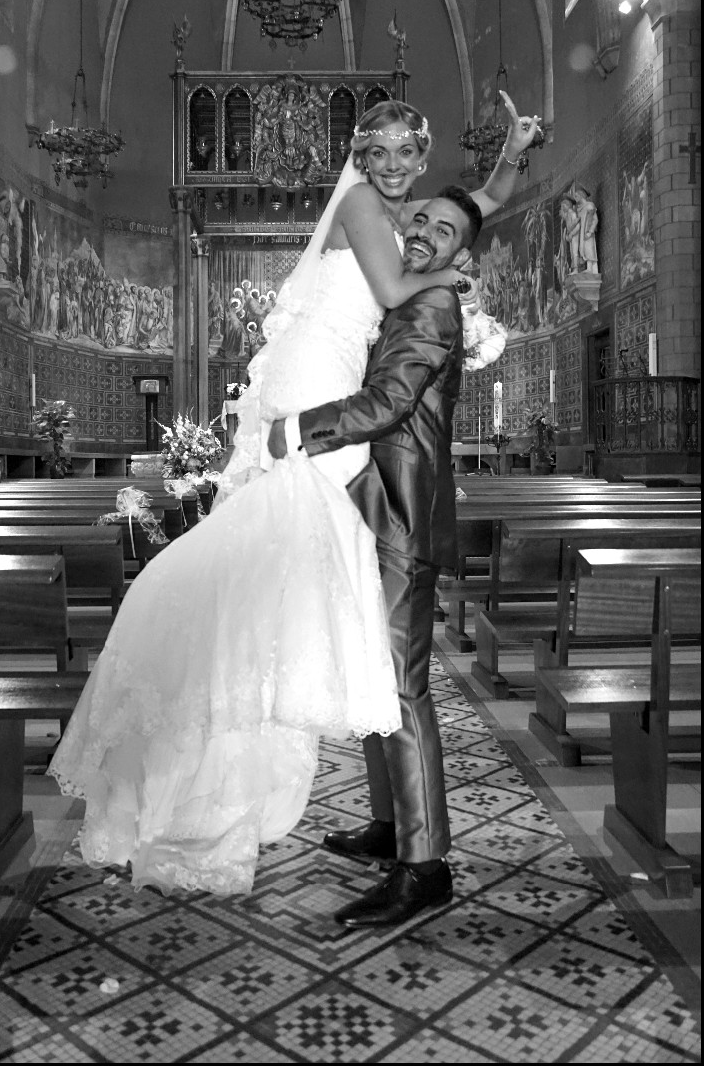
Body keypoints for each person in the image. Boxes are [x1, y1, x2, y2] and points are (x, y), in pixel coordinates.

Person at [47, 97, 539, 898]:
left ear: (421, 158)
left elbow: (472, 209)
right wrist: (450, 263)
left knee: (386, 666)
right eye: (377, 152)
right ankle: (388, 825)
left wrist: (509, 161)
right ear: (361, 159)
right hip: (325, 397)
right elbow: (412, 267)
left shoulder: (417, 242)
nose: (391, 168)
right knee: (359, 644)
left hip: (359, 447)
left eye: (405, 154)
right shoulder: (377, 215)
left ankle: (421, 859)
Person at [268, 187, 485, 928]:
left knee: (403, 688)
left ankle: (425, 866)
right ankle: (391, 826)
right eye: (420, 220)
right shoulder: (406, 294)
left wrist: (296, 430)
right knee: (371, 674)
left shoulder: (433, 306)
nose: (425, 233)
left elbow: (390, 401)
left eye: (444, 231)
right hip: (375, 504)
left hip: (402, 515)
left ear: (461, 253)